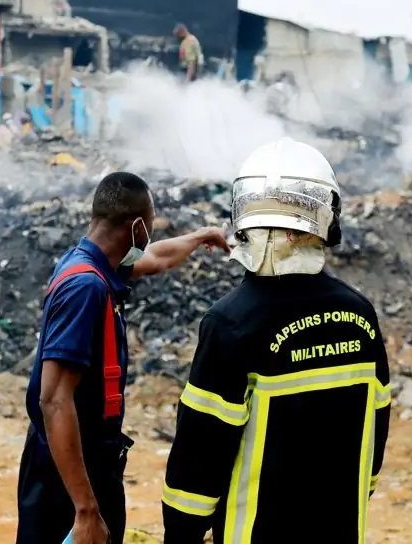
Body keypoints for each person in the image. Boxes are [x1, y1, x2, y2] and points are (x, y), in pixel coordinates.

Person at [161, 138, 392, 543]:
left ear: (242, 219)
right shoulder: (360, 317)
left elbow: (200, 453)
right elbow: (377, 427)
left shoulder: (231, 322)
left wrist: (182, 532)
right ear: (327, 219)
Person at [17, 171, 229, 544]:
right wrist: (85, 509)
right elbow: (53, 399)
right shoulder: (86, 288)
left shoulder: (92, 263)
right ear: (135, 228)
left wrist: (198, 237)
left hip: (83, 464)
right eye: (148, 226)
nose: (149, 237)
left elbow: (158, 257)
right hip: (67, 475)